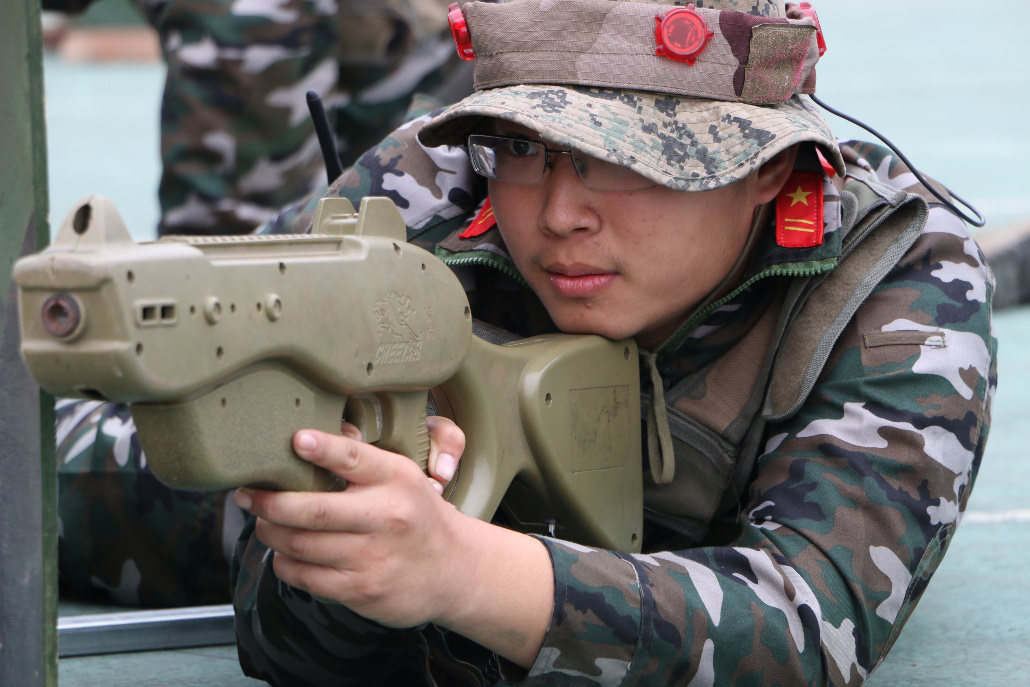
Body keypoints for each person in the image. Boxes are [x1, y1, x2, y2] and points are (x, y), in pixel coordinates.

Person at [228, 0, 997, 684]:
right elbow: (278, 637)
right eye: (521, 148)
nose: (560, 214)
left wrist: (461, 571)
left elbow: (807, 630)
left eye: (626, 158)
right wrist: (349, 531)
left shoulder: (898, 276)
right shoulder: (422, 197)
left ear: (768, 166)